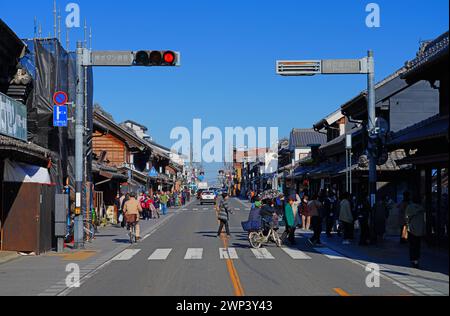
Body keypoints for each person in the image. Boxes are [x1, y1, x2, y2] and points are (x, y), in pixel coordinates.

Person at [405, 195, 426, 269]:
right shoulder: (422, 208)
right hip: (419, 229)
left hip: (412, 229)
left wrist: (407, 225)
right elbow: (424, 220)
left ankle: (413, 259)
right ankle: (416, 259)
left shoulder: (409, 207)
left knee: (412, 245)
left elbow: (407, 218)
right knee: (417, 245)